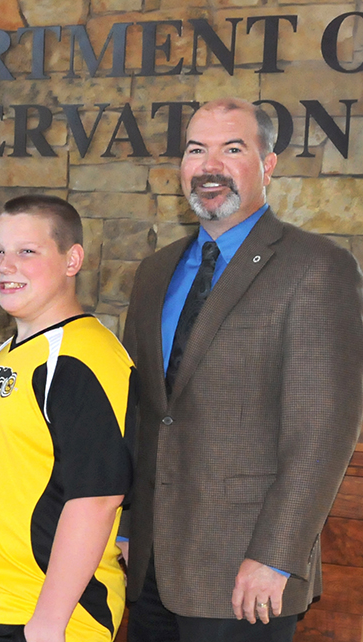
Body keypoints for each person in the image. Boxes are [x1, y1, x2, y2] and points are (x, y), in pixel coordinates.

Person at [122, 97, 363, 642]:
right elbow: (142, 409)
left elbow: (324, 431)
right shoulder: (155, 273)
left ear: (268, 164)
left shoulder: (315, 268)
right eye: (195, 150)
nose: (210, 166)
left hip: (246, 575)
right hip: (152, 567)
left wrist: (275, 557)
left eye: (232, 149)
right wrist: (129, 520)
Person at [0, 195, 135, 642]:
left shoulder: (84, 356)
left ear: (72, 260)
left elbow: (97, 499)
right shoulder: (9, 353)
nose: (6, 265)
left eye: (27, 251)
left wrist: (48, 624)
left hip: (46, 620)